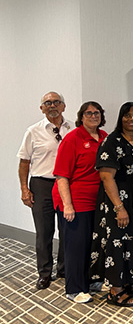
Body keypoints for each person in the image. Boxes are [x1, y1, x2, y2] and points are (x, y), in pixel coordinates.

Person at [90, 102, 133, 307]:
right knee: (117, 241)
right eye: (127, 115)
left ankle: (130, 282)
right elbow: (106, 178)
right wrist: (119, 207)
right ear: (120, 118)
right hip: (117, 202)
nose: (132, 119)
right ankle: (115, 290)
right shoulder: (111, 142)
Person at [17, 92, 74, 290]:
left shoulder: (72, 129)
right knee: (44, 231)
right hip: (42, 184)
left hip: (67, 185)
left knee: (67, 229)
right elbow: (24, 162)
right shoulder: (33, 131)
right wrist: (25, 189)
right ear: (41, 108)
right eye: (47, 103)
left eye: (56, 102)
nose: (52, 106)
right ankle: (44, 273)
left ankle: (64, 268)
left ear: (64, 107)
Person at [53, 101, 108, 303]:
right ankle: (74, 289)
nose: (93, 116)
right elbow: (61, 176)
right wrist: (68, 205)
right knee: (76, 245)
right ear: (81, 116)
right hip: (75, 201)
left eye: (97, 113)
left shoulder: (104, 137)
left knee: (93, 244)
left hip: (97, 201)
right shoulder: (72, 139)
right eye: (89, 113)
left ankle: (91, 280)